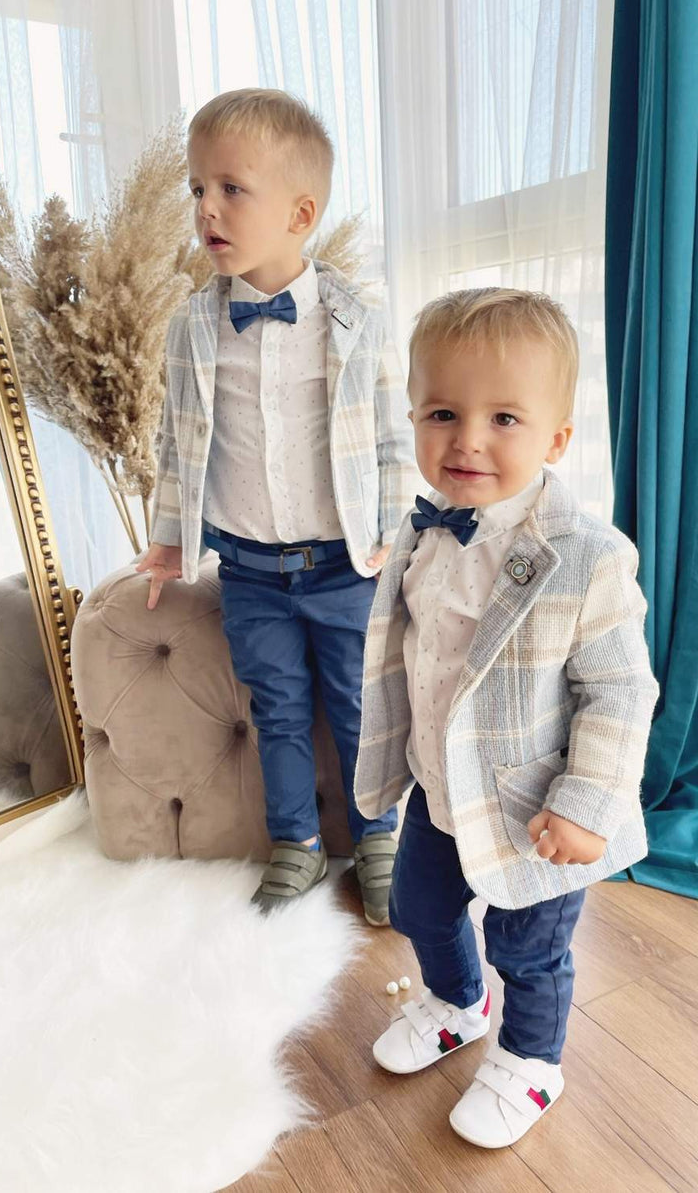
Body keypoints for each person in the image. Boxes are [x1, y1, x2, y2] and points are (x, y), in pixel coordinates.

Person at [354, 288, 659, 1145]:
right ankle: (456, 1001)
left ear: (558, 439)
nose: (468, 440)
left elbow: (621, 690)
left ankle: (531, 1059)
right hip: (438, 786)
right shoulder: (421, 531)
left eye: (504, 418)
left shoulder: (588, 557)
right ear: (413, 414)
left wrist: (586, 802)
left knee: (530, 946)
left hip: (536, 810)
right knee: (417, 905)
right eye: (443, 411)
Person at [137, 89, 419, 924]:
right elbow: (179, 445)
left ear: (300, 212)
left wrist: (394, 543)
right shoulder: (192, 327)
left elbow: (389, 443)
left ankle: (378, 837)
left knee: (363, 705)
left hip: (343, 565)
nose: (207, 209)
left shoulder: (356, 320)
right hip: (252, 570)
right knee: (279, 708)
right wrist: (164, 543)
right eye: (196, 190)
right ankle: (294, 839)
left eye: (230, 188)